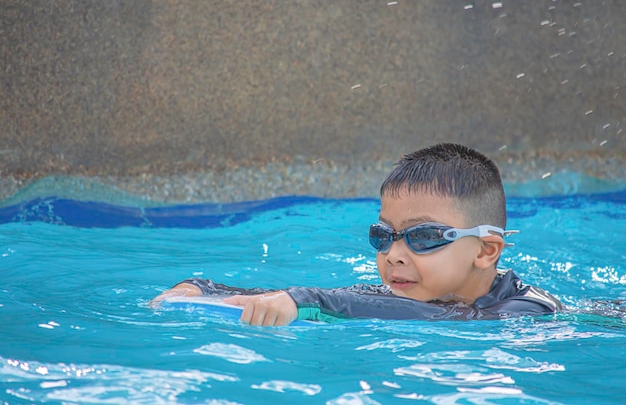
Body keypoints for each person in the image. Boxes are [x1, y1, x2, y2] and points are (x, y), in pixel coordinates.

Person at [151, 143, 562, 325]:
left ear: (486, 251)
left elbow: (453, 319)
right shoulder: (406, 294)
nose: (394, 255)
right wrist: (207, 289)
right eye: (383, 236)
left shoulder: (528, 314)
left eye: (422, 237)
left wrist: (307, 302)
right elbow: (340, 298)